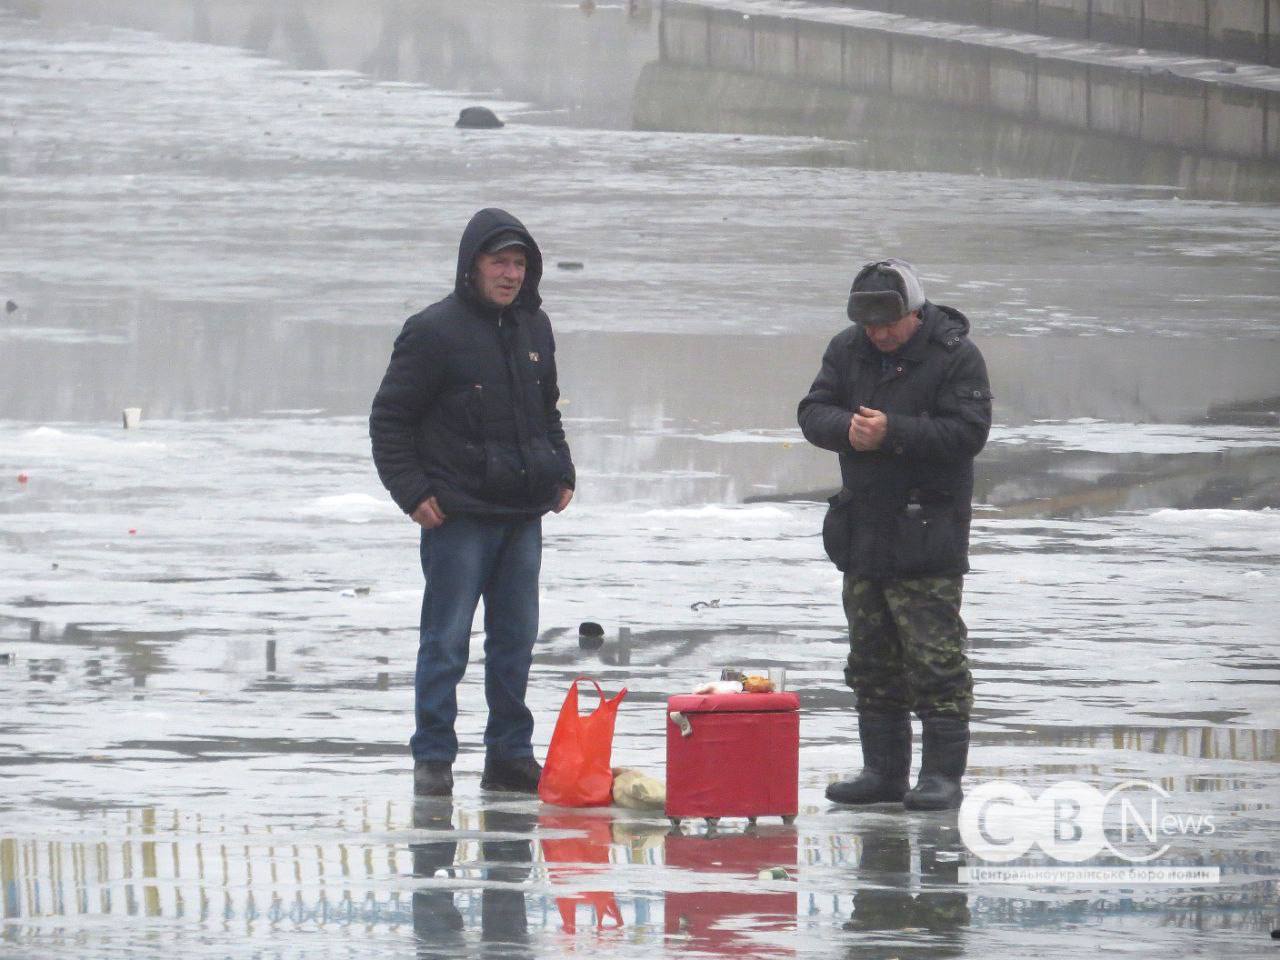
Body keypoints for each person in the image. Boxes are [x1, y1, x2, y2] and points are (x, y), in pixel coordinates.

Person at [370, 208, 575, 797]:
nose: (510, 274)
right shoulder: (432, 331)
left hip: (523, 514)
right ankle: (433, 758)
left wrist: (561, 470)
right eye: (499, 262)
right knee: (447, 641)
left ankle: (509, 755)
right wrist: (412, 493)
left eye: (519, 264)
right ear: (473, 267)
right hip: (458, 516)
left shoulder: (536, 328)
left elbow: (547, 411)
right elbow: (390, 420)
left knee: (515, 643)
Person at [797, 259, 991, 811]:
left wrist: (893, 433)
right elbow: (813, 411)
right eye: (869, 326)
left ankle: (942, 777)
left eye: (888, 325)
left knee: (935, 662)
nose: (879, 336)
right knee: (871, 660)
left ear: (914, 313)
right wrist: (848, 433)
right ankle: (882, 771)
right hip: (862, 531)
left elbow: (968, 433)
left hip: (928, 536)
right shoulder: (846, 348)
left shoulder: (956, 356)